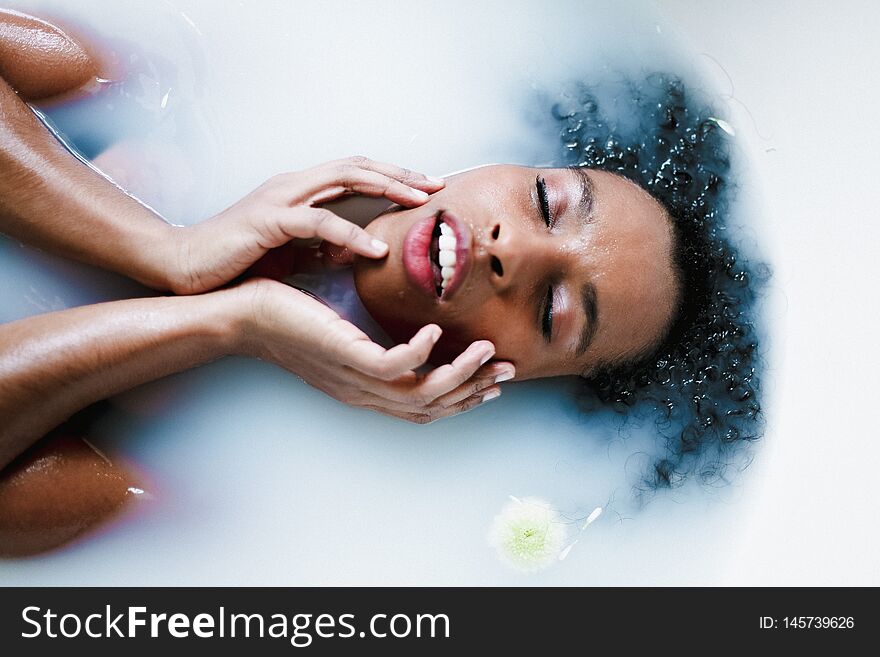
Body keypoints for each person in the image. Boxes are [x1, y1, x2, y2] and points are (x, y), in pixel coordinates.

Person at [0, 9, 763, 554]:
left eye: (555, 308)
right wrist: (166, 246)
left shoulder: (212, 482)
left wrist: (237, 322)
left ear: (502, 378)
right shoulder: (157, 98)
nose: (513, 252)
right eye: (544, 201)